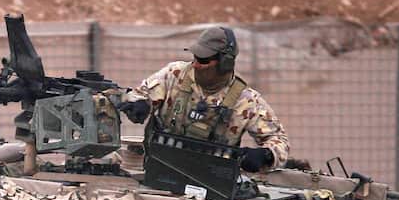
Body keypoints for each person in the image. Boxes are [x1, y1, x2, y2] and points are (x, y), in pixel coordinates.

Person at [117, 26, 289, 173]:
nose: (196, 64)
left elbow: (279, 141)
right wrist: (139, 104)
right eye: (195, 57)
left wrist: (266, 155)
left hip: (213, 183)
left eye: (204, 60)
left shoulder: (246, 101)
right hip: (158, 169)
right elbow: (139, 94)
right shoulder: (174, 75)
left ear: (225, 63)